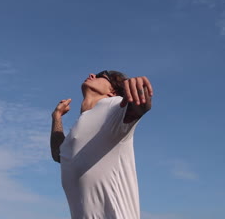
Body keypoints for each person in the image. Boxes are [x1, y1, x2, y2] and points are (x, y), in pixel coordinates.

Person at [50, 70, 153, 219]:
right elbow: (58, 154)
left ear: (113, 92)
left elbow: (138, 107)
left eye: (100, 77)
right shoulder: (79, 129)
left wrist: (139, 91)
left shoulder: (113, 107)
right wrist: (57, 117)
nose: (92, 75)